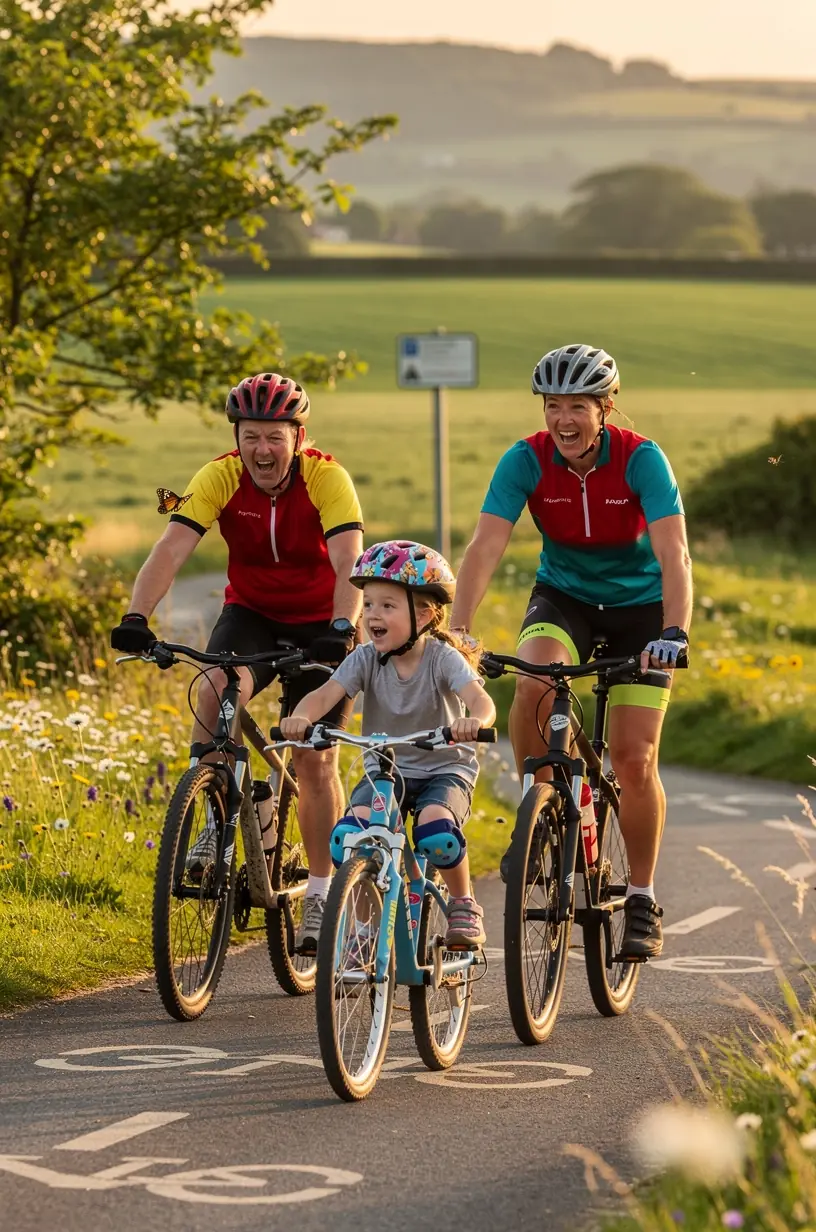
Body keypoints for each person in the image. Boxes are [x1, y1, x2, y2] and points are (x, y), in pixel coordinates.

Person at [450, 343, 692, 960]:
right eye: (553, 405)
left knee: (635, 760)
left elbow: (674, 555)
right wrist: (459, 628)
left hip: (642, 611)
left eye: (577, 406)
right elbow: (484, 547)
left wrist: (674, 632)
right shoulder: (524, 460)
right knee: (533, 684)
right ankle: (542, 805)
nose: (563, 419)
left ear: (606, 407)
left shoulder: (642, 460)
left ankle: (641, 896)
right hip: (564, 598)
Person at [110, 372, 364, 952]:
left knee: (313, 760)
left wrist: (343, 627)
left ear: (299, 437)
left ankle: (324, 892)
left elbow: (348, 554)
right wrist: (136, 618)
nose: (262, 450)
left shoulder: (328, 478)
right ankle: (221, 811)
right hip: (251, 613)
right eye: (251, 436)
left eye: (275, 436)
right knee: (212, 687)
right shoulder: (219, 476)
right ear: (238, 437)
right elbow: (173, 546)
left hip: (323, 623)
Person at [280, 541, 496, 951]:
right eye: (370, 604)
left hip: (444, 769)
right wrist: (302, 717)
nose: (373, 615)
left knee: (437, 832)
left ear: (424, 614)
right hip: (387, 770)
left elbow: (482, 702)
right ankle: (365, 928)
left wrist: (474, 722)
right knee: (350, 838)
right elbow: (325, 694)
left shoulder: (443, 658)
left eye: (387, 606)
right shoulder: (363, 658)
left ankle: (463, 903)